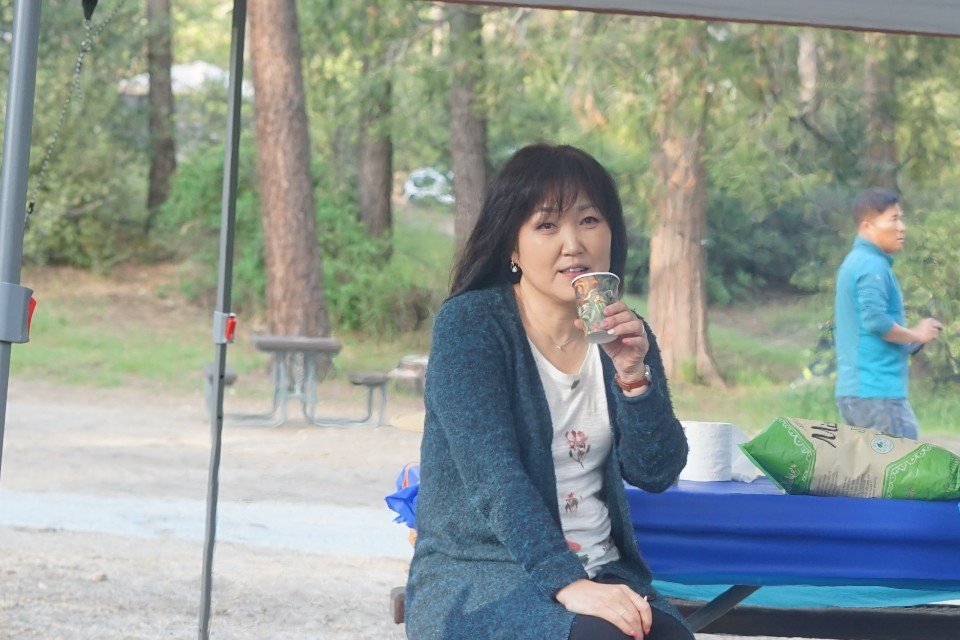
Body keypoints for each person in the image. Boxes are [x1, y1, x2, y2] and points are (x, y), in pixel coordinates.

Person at [404, 143, 692, 640]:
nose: (572, 244)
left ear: (612, 234)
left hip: (605, 570)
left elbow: (656, 472)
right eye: (547, 225)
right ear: (512, 247)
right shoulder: (471, 326)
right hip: (483, 575)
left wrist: (634, 378)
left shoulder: (624, 333)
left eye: (589, 220)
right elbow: (495, 479)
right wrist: (567, 581)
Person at [834, 188, 943, 439]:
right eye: (893, 219)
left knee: (873, 465)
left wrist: (912, 341)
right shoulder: (871, 265)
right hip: (878, 394)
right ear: (867, 226)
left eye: (901, 219)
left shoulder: (856, 261)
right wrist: (916, 334)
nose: (901, 227)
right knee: (903, 463)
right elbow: (875, 321)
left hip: (857, 393)